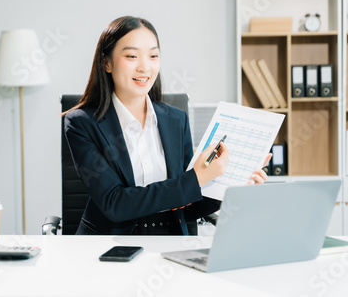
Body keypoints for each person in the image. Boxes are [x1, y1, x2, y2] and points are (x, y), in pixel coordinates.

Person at [64, 16, 270, 235]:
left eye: (153, 56)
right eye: (132, 56)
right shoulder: (82, 123)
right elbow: (115, 203)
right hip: (109, 249)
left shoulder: (175, 120)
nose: (144, 67)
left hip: (171, 245)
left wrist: (232, 185)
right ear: (107, 62)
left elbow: (188, 208)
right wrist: (196, 179)